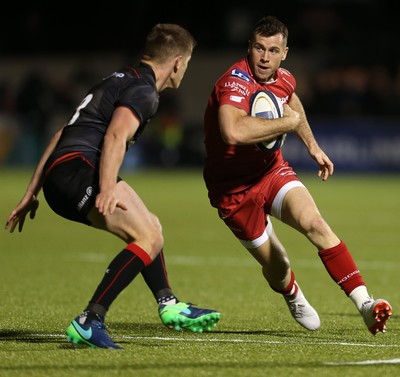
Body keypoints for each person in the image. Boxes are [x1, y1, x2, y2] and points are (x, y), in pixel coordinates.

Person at [5, 23, 220, 350]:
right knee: (147, 237)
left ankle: (169, 302)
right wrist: (106, 187)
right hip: (81, 172)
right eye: (187, 63)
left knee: (151, 226)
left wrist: (31, 192)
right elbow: (116, 134)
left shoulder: (119, 78)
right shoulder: (144, 91)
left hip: (63, 173)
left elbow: (62, 133)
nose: (185, 70)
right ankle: (90, 320)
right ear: (178, 62)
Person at [203, 15, 392, 335]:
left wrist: (312, 146)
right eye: (259, 49)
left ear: (285, 52)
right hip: (233, 190)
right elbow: (232, 131)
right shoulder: (234, 81)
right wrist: (285, 125)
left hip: (270, 171)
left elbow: (292, 103)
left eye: (273, 50)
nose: (265, 57)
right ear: (249, 47)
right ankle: (291, 292)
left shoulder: (284, 78)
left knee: (315, 223)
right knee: (278, 266)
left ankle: (366, 305)